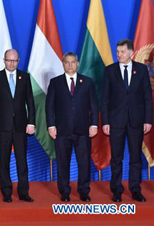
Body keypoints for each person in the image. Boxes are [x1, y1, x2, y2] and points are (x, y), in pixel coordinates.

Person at [102, 39, 152, 202]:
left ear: (131, 53)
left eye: (122, 52)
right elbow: (105, 99)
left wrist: (147, 120)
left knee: (135, 157)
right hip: (116, 122)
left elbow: (147, 97)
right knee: (116, 158)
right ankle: (116, 190)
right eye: (117, 52)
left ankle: (135, 189)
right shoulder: (110, 71)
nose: (119, 55)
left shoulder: (142, 70)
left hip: (136, 121)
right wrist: (106, 122)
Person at [46, 52, 98, 202]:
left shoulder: (87, 82)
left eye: (73, 62)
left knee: (84, 163)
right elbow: (49, 107)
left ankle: (84, 191)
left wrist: (94, 124)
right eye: (67, 62)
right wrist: (51, 125)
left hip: (83, 130)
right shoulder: (55, 82)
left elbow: (94, 106)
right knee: (63, 163)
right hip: (62, 131)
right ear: (63, 64)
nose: (70, 65)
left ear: (77, 63)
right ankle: (64, 191)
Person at [0, 49, 35, 203]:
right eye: (9, 60)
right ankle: (6, 192)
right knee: (4, 160)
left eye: (15, 61)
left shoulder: (25, 77)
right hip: (3, 126)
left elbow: (30, 102)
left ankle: (23, 192)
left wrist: (31, 122)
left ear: (19, 60)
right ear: (4, 60)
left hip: (21, 126)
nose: (12, 63)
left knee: (22, 160)